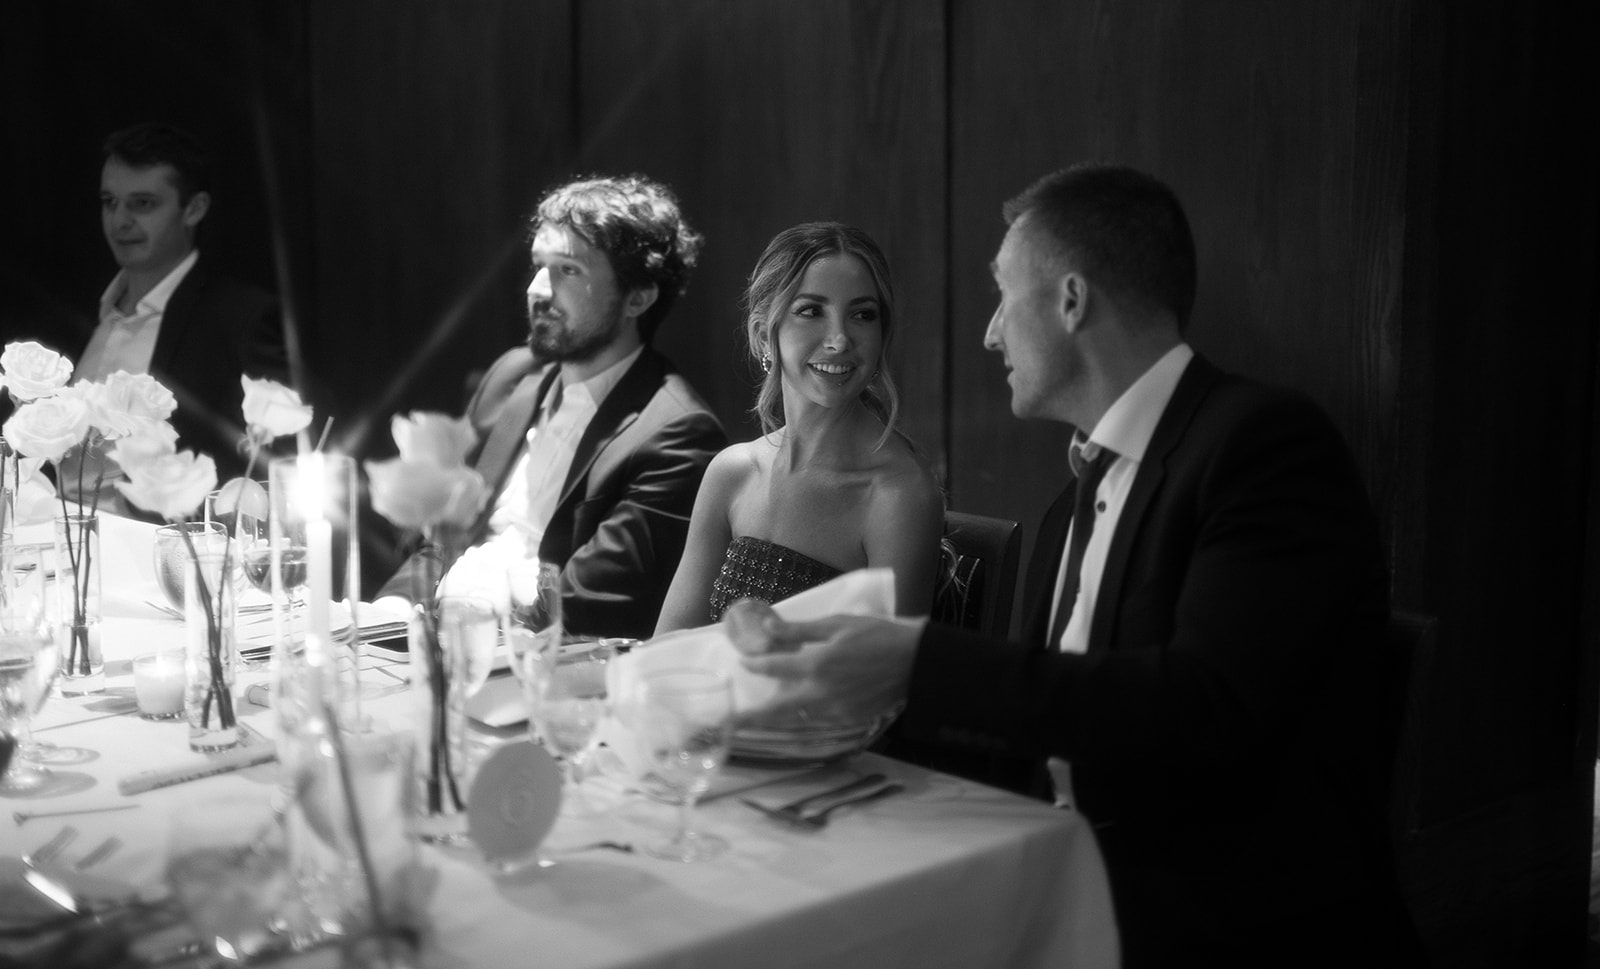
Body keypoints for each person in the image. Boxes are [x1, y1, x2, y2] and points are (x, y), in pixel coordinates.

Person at [736, 165, 1420, 966]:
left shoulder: (1260, 447)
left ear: (1070, 301)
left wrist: (907, 659)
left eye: (1002, 294)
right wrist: (814, 742)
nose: (990, 332)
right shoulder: (1076, 499)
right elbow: (1029, 738)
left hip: (1224, 923)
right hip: (1059, 884)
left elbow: (1203, 709)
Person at [377, 174, 726, 640]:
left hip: (549, 673)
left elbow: (590, 602)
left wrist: (450, 615)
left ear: (637, 297)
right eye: (540, 266)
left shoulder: (678, 433)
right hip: (440, 641)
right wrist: (389, 613)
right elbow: (445, 537)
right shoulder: (512, 376)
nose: (538, 289)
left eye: (569, 270)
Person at [655, 223, 943, 632]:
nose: (840, 339)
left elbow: (885, 684)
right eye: (811, 311)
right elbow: (667, 648)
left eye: (862, 315)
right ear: (761, 335)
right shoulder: (732, 473)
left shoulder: (899, 494)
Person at [65, 123, 287, 509]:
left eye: (142, 204)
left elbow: (281, 464)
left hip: (157, 552)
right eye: (109, 202)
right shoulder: (76, 309)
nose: (120, 221)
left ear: (194, 208)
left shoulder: (239, 318)